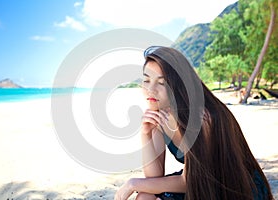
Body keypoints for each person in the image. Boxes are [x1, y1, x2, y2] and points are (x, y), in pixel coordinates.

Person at [114, 46, 273, 200]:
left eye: (161, 83)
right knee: (145, 195)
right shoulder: (159, 114)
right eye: (146, 80)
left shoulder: (201, 118)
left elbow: (188, 181)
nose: (151, 89)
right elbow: (153, 177)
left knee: (141, 189)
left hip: (235, 186)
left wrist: (132, 183)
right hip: (199, 183)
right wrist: (146, 134)